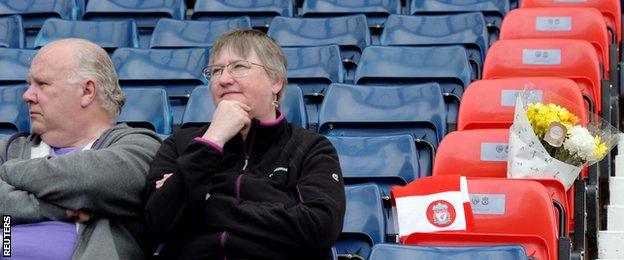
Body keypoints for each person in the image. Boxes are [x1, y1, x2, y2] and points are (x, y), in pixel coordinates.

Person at [144, 29, 346, 259]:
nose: (223, 79)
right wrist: (212, 141)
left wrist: (208, 201)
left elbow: (319, 228)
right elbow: (156, 222)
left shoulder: (311, 148)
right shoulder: (182, 143)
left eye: (239, 67)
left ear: (276, 82)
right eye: (216, 71)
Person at [0, 38, 162, 259]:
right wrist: (57, 210)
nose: (27, 95)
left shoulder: (140, 146)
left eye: (42, 84)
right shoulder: (9, 149)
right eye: (29, 84)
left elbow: (90, 181)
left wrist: (8, 172)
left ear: (87, 91)